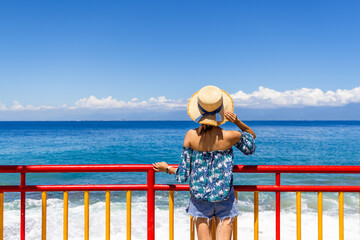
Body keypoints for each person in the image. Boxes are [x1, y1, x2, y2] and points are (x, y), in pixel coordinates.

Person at [153, 85, 256, 240]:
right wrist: (237, 121)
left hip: (199, 197)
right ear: (221, 110)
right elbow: (251, 142)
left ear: (199, 111)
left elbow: (183, 174)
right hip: (224, 196)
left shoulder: (191, 136)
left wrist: (166, 168)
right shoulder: (230, 136)